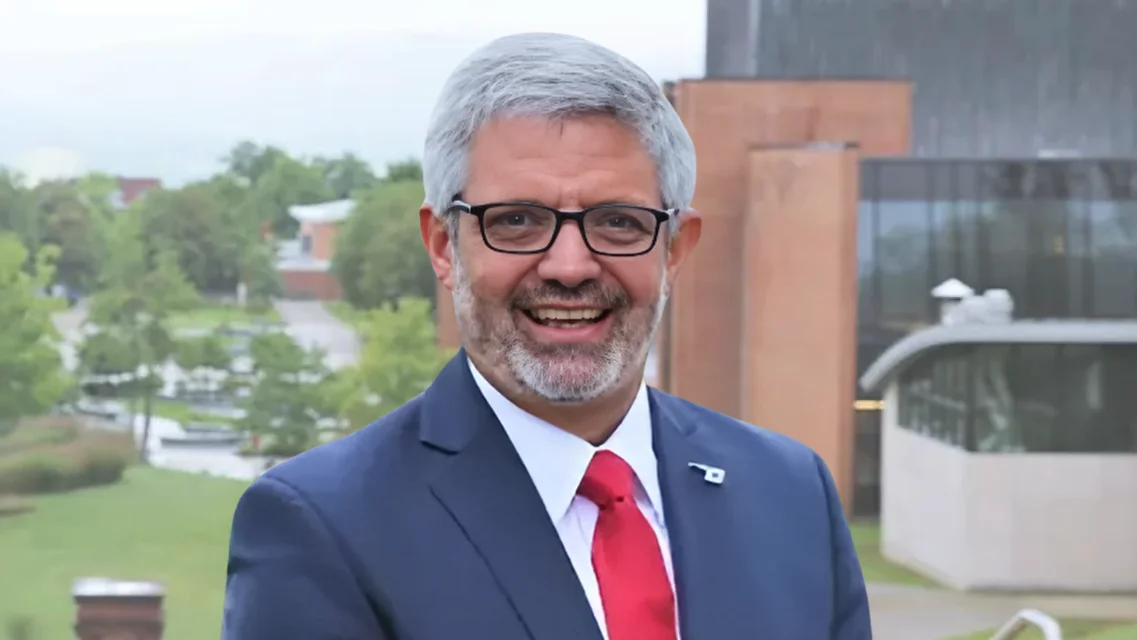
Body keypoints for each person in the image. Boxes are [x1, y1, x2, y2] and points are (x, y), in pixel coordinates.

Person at [222, 32, 872, 640]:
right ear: (444, 245)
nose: (569, 267)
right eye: (516, 221)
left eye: (617, 222)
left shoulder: (790, 494)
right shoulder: (323, 528)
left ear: (674, 250)